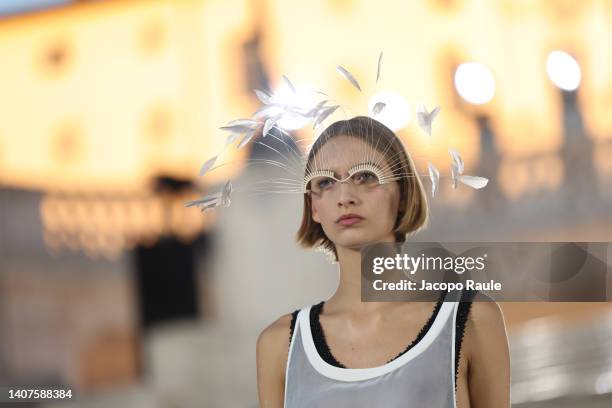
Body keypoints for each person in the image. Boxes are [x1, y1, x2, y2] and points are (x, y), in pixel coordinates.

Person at [256, 116, 510, 407]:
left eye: (365, 176)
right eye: (326, 182)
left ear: (402, 194)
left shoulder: (471, 318)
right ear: (314, 207)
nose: (345, 196)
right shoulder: (280, 345)